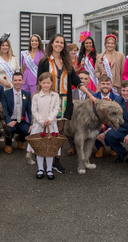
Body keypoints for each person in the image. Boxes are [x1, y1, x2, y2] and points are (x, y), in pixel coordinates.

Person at [38, 34, 98, 173]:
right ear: (52, 44)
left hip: (64, 102)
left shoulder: (67, 62)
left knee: (58, 132)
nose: (59, 44)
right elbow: (39, 82)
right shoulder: (44, 62)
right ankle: (44, 160)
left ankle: (56, 161)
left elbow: (76, 81)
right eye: (57, 42)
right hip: (48, 101)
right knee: (46, 130)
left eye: (62, 43)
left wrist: (90, 95)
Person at [29, 72, 61, 180]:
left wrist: (49, 119)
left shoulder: (55, 96)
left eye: (48, 82)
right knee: (40, 147)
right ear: (40, 83)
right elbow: (34, 110)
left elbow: (56, 109)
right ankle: (40, 168)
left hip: (51, 126)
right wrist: (42, 121)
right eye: (44, 83)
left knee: (50, 147)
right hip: (39, 125)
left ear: (52, 83)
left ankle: (49, 169)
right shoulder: (36, 96)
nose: (46, 85)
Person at [0, 72, 31, 154]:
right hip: (9, 120)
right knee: (9, 129)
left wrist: (32, 124)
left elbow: (29, 111)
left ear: (23, 81)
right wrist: (8, 121)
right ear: (12, 81)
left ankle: (20, 140)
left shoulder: (27, 94)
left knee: (29, 131)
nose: (17, 82)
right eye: (15, 80)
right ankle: (8, 144)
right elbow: (4, 109)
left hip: (20, 120)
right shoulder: (5, 94)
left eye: (19, 80)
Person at [93, 75, 119, 158]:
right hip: (98, 124)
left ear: (111, 85)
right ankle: (100, 147)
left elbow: (118, 118)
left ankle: (113, 147)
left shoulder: (117, 98)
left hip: (111, 125)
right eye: (103, 84)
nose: (105, 86)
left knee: (117, 127)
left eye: (108, 84)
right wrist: (97, 124)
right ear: (99, 85)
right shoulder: (93, 97)